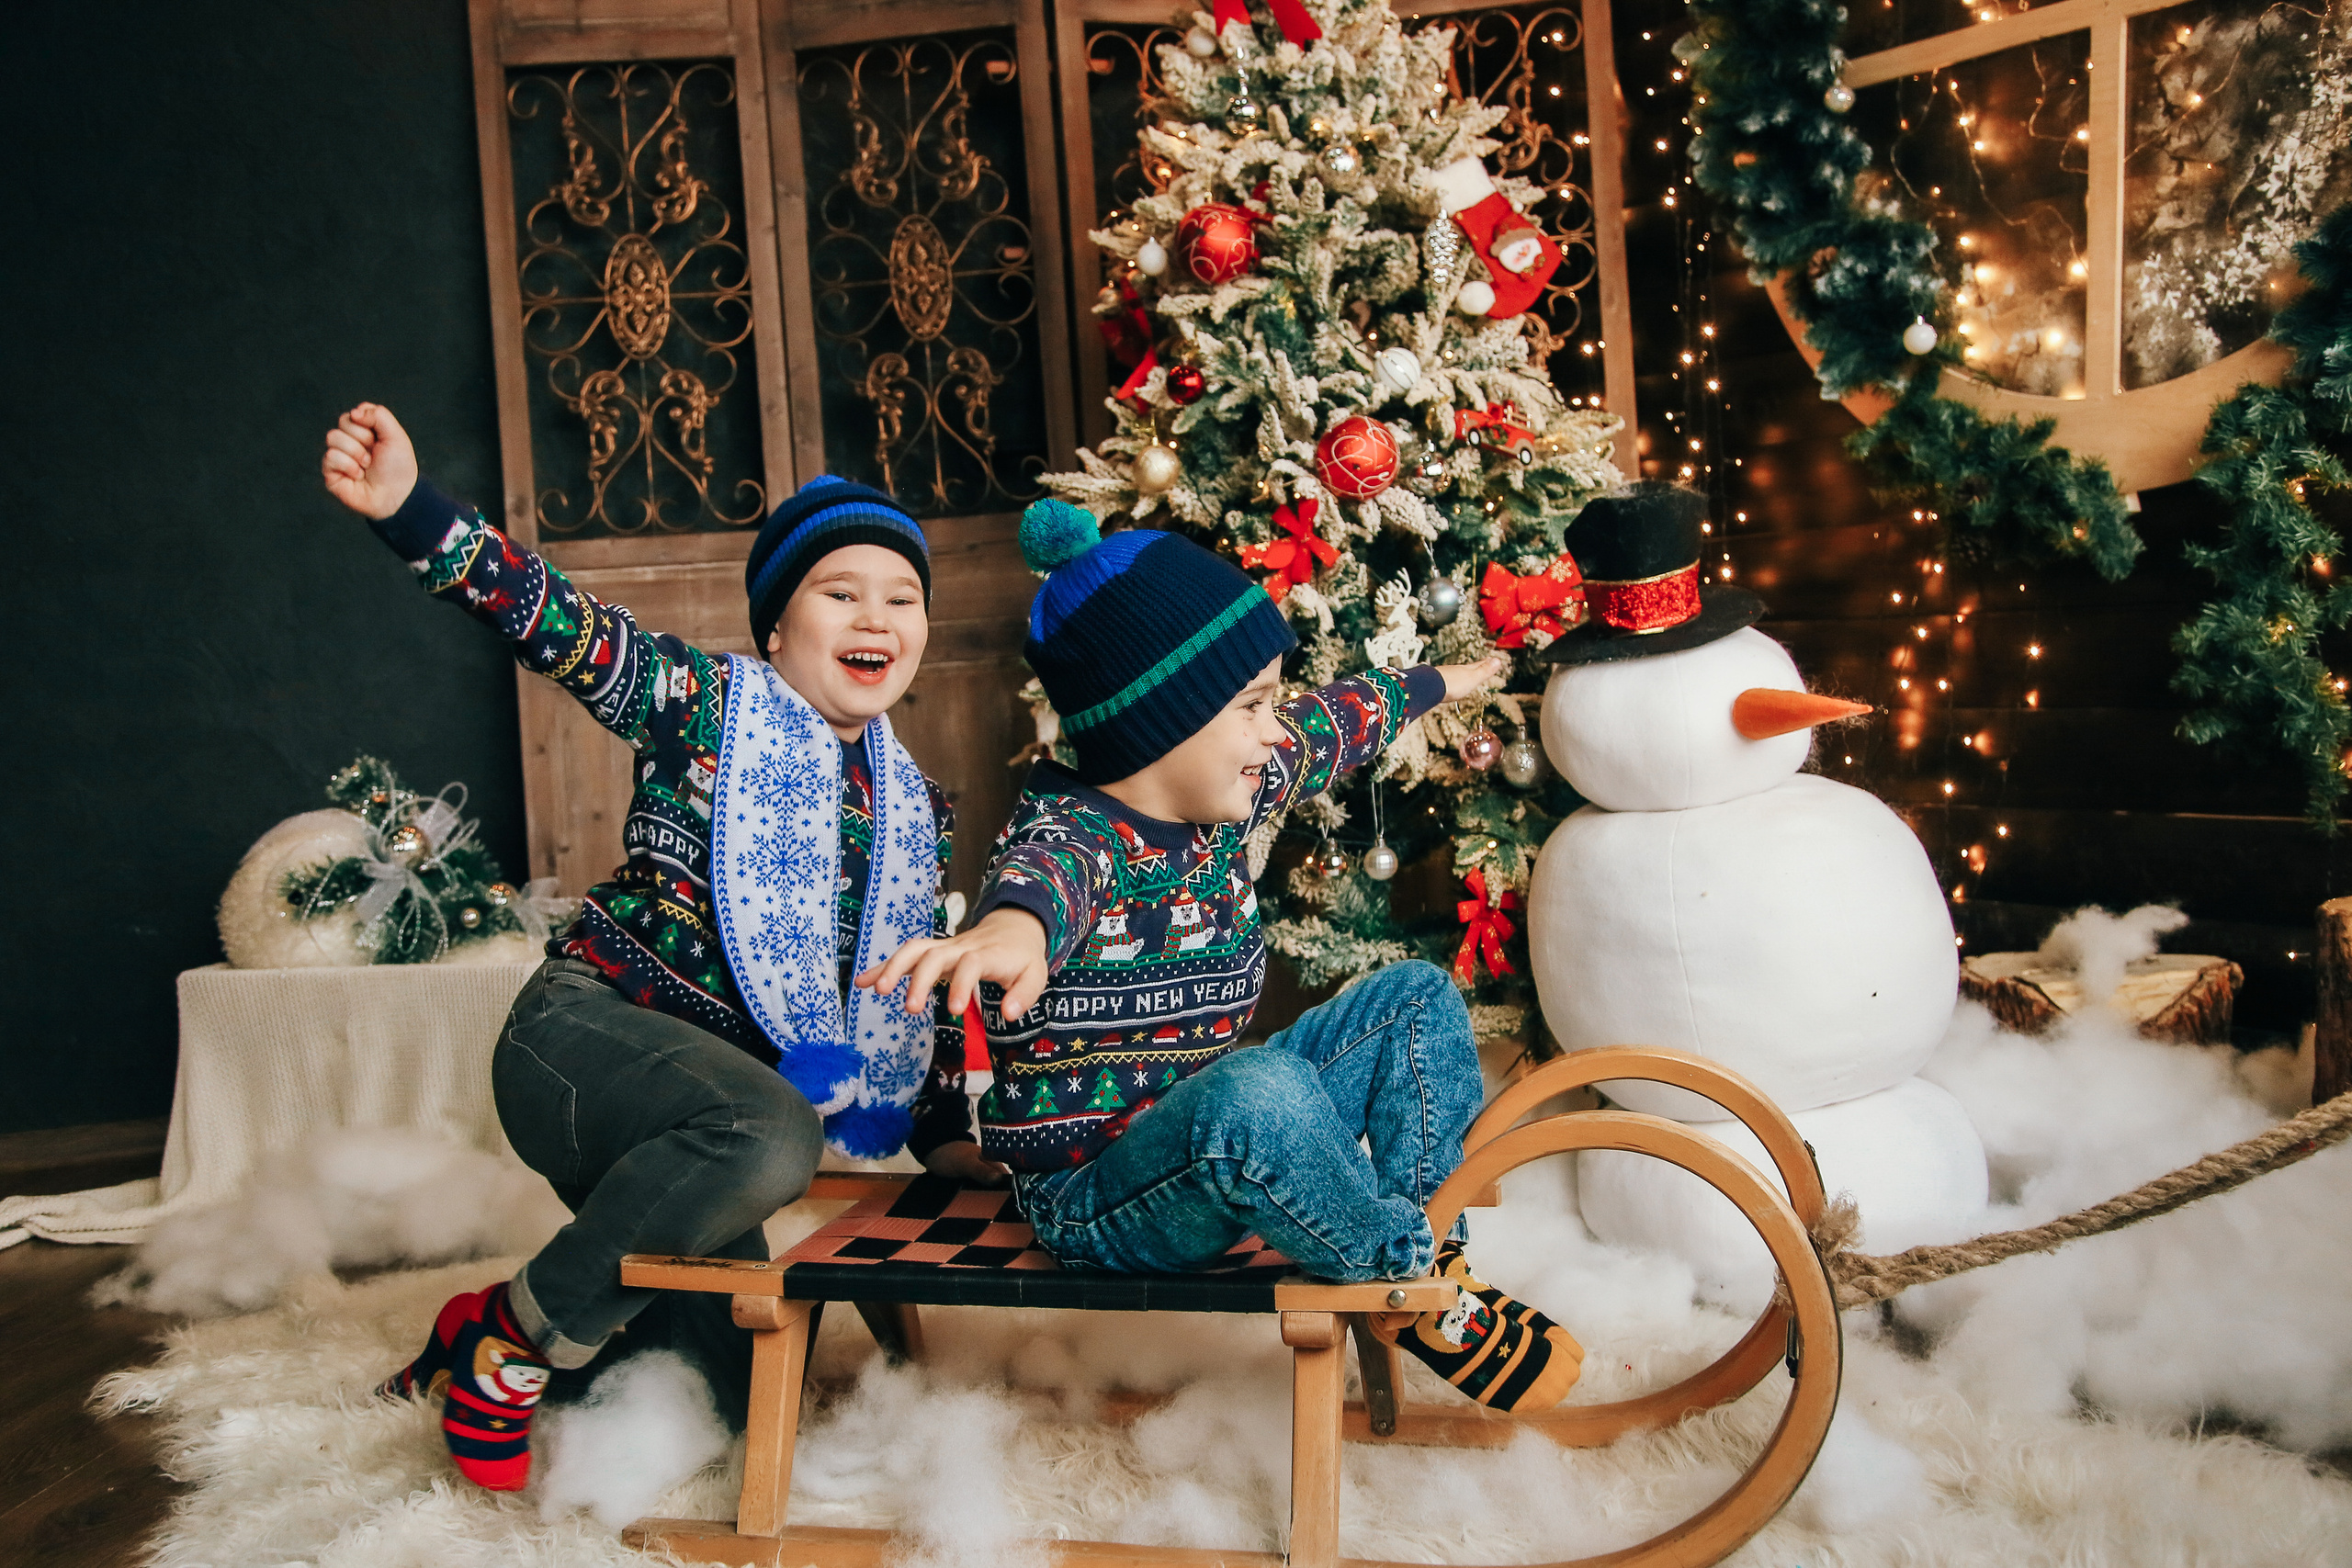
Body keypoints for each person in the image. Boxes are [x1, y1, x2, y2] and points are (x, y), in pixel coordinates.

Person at [320, 404, 1000, 1490]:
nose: (876, 613)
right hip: (585, 1041)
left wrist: (974, 1153)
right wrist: (414, 513)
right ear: (778, 627)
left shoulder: (917, 811)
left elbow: (891, 1036)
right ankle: (514, 1334)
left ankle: (472, 1340)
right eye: (841, 591)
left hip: (716, 1130)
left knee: (715, 1405)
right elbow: (560, 625)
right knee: (771, 1129)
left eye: (902, 597)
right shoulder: (704, 704)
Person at [861, 501, 1583, 1413]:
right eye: (1251, 707)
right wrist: (1009, 936)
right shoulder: (1077, 835)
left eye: (1270, 701)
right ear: (1156, 724)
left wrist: (1443, 679)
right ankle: (1407, 1284)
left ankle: (1428, 1246)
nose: (1275, 731)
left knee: (1413, 996)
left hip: (1208, 1134)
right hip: (1099, 1195)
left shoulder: (1221, 779)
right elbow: (1040, 888)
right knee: (1255, 1094)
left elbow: (1335, 721)